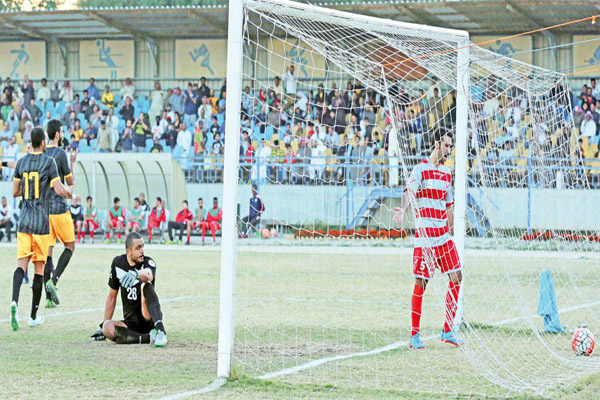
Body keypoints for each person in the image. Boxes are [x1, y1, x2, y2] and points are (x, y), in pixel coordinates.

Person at [393, 130, 464, 349]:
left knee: (457, 276)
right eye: (446, 145)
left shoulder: (447, 173)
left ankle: (448, 330)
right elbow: (409, 193)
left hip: (443, 238)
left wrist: (451, 229)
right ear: (436, 144)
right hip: (425, 240)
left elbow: (448, 205)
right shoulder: (420, 169)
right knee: (421, 285)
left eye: (451, 146)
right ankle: (414, 335)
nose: (448, 150)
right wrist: (403, 210)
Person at [10, 127, 73, 331]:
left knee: (21, 265)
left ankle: (14, 302)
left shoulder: (21, 162)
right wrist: (68, 192)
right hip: (41, 224)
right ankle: (33, 316)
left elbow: (15, 192)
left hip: (24, 222)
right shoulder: (49, 162)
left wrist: (28, 192)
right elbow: (58, 189)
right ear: (44, 143)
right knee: (38, 270)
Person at [91, 232, 167, 347]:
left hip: (147, 318)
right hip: (130, 322)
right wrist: (104, 326)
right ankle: (148, 338)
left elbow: (148, 274)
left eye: (143, 246)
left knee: (145, 284)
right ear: (129, 251)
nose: (142, 251)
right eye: (138, 248)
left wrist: (136, 274)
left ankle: (160, 331)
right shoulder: (118, 263)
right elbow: (112, 297)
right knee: (107, 328)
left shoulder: (148, 262)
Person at [43, 120, 78, 308]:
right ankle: (53, 280)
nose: (63, 134)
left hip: (44, 210)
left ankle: (47, 300)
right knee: (70, 246)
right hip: (59, 208)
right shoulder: (60, 154)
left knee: (47, 253)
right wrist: (72, 163)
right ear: (57, 134)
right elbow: (70, 183)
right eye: (62, 132)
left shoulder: (41, 154)